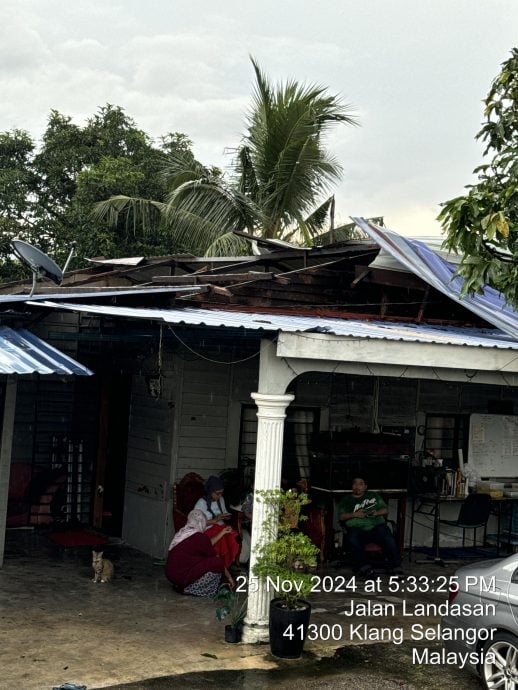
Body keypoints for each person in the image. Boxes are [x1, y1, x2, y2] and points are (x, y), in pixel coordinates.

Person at [338, 477, 402, 575]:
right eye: (355, 484)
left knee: (387, 535)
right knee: (352, 538)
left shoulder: (373, 495)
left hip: (376, 527)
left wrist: (376, 513)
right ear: (352, 486)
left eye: (360, 484)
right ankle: (365, 566)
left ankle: (396, 566)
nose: (357, 487)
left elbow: (385, 510)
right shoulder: (346, 500)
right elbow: (341, 517)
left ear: (365, 487)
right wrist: (355, 514)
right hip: (358, 529)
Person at [165, 509, 234, 596]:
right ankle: (189, 589)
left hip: (171, 575)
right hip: (181, 577)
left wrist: (222, 532)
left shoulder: (183, 533)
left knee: (202, 560)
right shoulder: (199, 537)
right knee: (217, 562)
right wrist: (229, 577)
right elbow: (215, 557)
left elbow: (207, 544)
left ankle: (181, 585)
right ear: (202, 523)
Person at [194, 476, 240, 569]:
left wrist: (226, 516)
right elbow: (195, 522)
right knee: (222, 539)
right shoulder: (201, 503)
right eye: (218, 493)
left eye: (221, 493)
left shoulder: (221, 499)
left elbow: (224, 512)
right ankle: (218, 566)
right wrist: (215, 520)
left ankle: (225, 565)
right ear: (211, 491)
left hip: (221, 526)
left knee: (232, 535)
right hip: (208, 529)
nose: (220, 496)